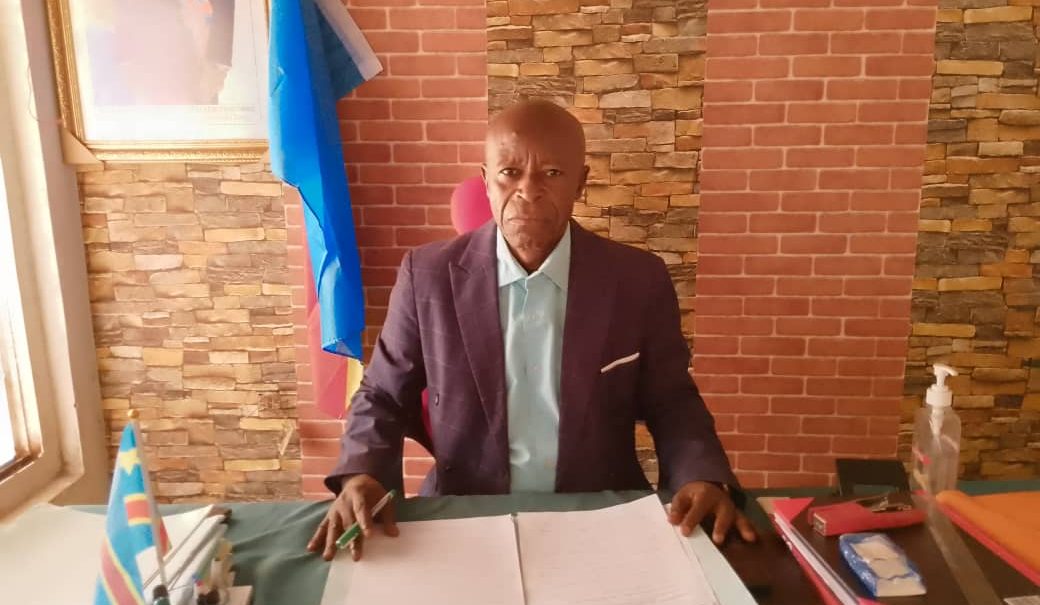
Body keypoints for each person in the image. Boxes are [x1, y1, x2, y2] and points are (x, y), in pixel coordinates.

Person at [308, 100, 757, 561]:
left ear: (581, 182)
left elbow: (672, 399)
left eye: (553, 173)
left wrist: (699, 475)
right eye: (509, 173)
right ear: (486, 180)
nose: (528, 190)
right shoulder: (428, 276)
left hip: (600, 515)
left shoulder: (637, 281)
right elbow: (383, 394)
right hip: (468, 514)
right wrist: (362, 472)